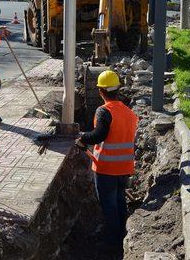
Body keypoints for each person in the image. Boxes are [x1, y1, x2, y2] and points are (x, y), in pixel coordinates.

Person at [75, 70, 138, 253]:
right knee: (119, 201)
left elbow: (99, 135)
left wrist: (83, 138)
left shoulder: (104, 111)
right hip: (124, 167)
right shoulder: (128, 112)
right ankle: (122, 234)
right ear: (117, 89)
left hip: (106, 168)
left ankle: (113, 241)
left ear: (101, 91)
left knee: (109, 204)